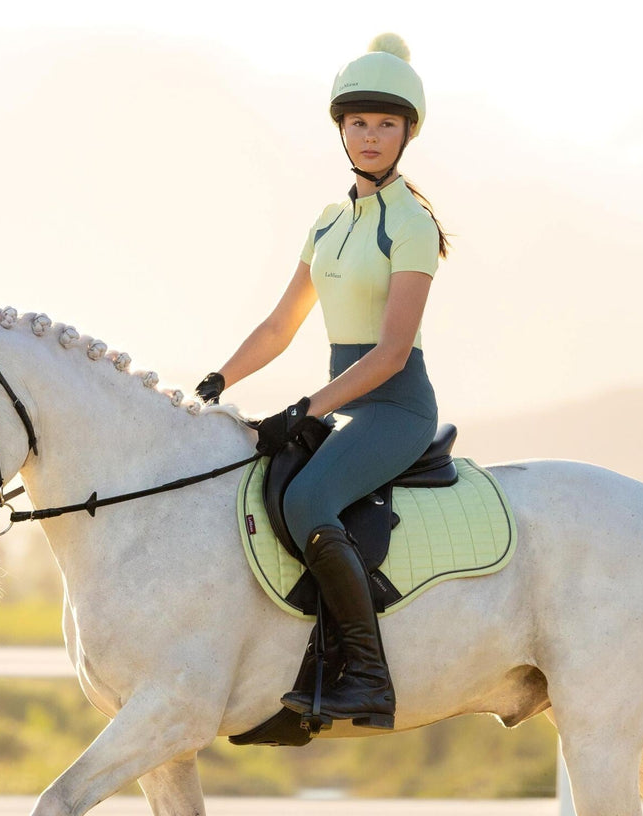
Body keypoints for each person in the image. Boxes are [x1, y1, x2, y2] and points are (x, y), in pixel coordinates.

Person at [195, 33, 450, 730]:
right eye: (358, 123)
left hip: (394, 409)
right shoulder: (330, 222)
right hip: (345, 405)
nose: (370, 137)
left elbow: (393, 353)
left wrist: (306, 408)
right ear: (341, 129)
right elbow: (281, 327)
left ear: (406, 134)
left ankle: (366, 675)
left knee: (308, 498)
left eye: (385, 125)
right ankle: (288, 670)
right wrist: (217, 380)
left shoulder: (413, 224)